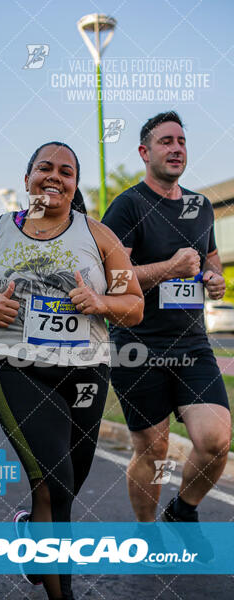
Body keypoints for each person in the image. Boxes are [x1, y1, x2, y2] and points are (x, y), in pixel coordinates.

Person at [0, 141, 143, 600]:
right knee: (55, 481)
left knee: (64, 489)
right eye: (45, 168)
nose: (55, 176)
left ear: (75, 185)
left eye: (66, 171)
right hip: (16, 365)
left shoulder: (99, 236)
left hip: (86, 373)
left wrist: (102, 302)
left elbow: (133, 305)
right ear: (27, 178)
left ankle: (34, 538)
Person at [102, 112, 231, 535]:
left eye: (181, 141)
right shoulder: (128, 205)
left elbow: (209, 257)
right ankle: (147, 529)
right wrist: (170, 267)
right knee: (152, 449)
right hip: (136, 344)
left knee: (214, 439)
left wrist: (215, 278)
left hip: (192, 344)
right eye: (165, 142)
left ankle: (183, 510)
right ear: (145, 152)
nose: (176, 148)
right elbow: (111, 277)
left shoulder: (200, 206)